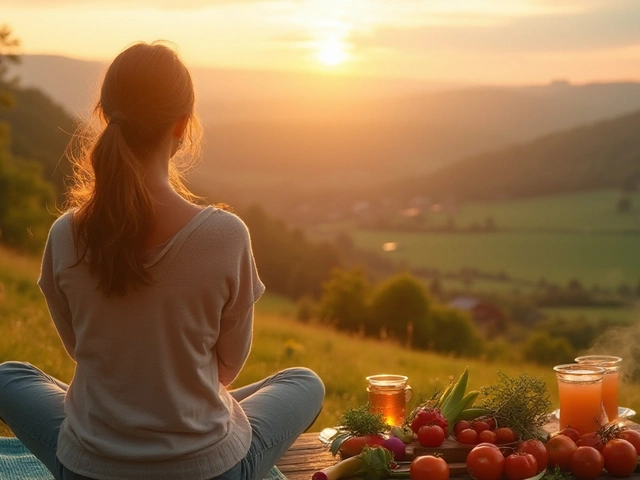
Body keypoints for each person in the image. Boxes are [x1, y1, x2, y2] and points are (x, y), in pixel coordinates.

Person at [0, 42, 325, 480]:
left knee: (9, 377)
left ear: (103, 116)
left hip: (91, 469)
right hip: (209, 470)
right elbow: (226, 370)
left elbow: (83, 351)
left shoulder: (65, 236)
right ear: (183, 125)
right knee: (303, 383)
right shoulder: (226, 236)